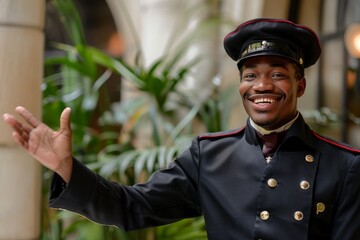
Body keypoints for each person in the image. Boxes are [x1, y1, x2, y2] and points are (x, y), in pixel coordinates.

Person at [3, 18, 360, 240]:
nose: (261, 85)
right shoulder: (209, 155)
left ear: (300, 85)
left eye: (278, 74)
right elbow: (130, 208)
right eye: (250, 75)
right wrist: (66, 167)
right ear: (240, 85)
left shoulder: (345, 166)